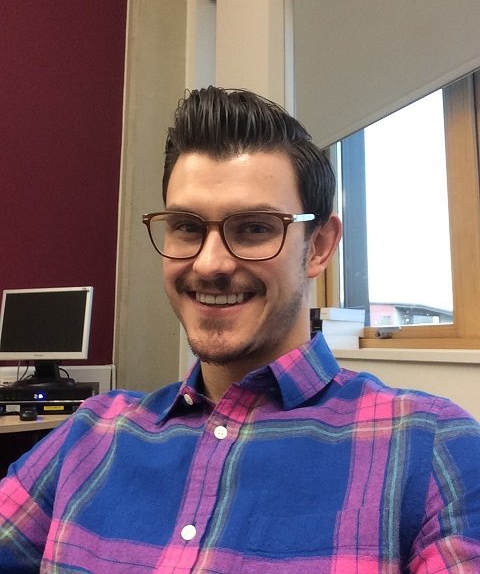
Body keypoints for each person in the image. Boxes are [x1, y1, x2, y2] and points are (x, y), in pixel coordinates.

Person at [0, 87, 479, 573]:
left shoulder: (432, 444)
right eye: (187, 226)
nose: (209, 264)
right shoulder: (91, 433)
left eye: (253, 228)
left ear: (318, 247)